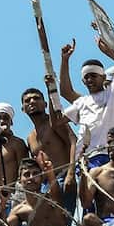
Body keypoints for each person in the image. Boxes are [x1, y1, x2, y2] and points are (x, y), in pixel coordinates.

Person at [58, 35, 114, 171]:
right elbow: (57, 121)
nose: (90, 79)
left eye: (93, 75)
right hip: (83, 159)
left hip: (104, 155)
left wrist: (107, 50)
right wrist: (65, 60)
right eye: (86, 77)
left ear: (103, 77)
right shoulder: (81, 102)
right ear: (83, 81)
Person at [22, 87, 78, 217]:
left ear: (45, 104)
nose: (32, 102)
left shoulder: (54, 123)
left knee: (68, 219)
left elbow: (73, 142)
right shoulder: (30, 138)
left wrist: (71, 172)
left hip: (66, 178)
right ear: (23, 109)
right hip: (46, 186)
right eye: (27, 100)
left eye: (36, 98)